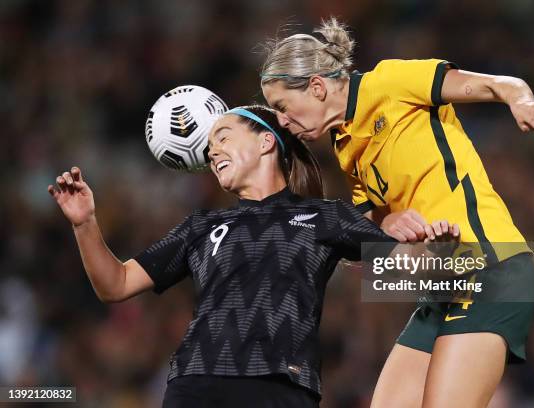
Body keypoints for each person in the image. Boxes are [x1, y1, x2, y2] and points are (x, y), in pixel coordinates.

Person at [48, 105, 456, 407]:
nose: (212, 152)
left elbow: (411, 268)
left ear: (266, 141)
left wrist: (438, 250)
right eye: (208, 149)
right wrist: (85, 224)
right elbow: (115, 284)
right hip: (195, 384)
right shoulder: (200, 226)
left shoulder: (323, 215)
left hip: (280, 387)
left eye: (222, 136)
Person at [259, 17, 534, 408]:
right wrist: (386, 223)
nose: (282, 122)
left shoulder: (390, 82)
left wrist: (521, 102)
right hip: (441, 280)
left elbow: (499, 83)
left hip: (489, 264)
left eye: (282, 107)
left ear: (317, 87)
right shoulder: (345, 144)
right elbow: (369, 230)